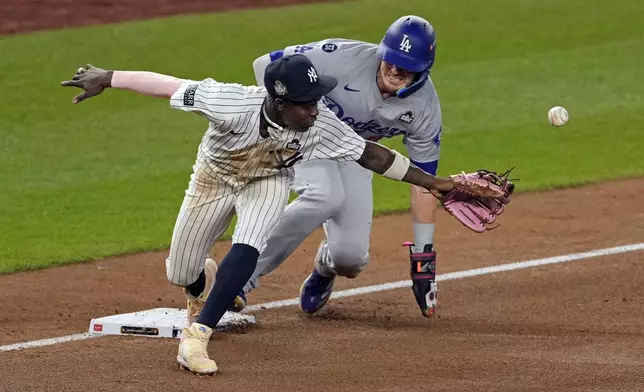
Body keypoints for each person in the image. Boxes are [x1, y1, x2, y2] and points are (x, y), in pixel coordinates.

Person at [60, 54, 476, 375]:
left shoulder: (320, 124)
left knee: (250, 240)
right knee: (181, 272)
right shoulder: (228, 101)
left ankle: (197, 336)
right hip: (213, 179)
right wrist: (108, 77)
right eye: (305, 104)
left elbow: (372, 153)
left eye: (317, 100)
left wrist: (435, 184)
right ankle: (199, 282)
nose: (315, 109)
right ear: (278, 102)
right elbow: (167, 85)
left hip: (268, 181)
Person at [239, 15, 444, 317]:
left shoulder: (424, 109)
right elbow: (264, 65)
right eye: (391, 59)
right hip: (307, 137)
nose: (396, 69)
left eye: (406, 66)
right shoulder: (338, 58)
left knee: (349, 258)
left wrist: (423, 259)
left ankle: (324, 268)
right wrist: (278, 119)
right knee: (324, 195)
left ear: (423, 71)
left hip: (358, 154)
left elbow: (424, 183)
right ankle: (241, 278)